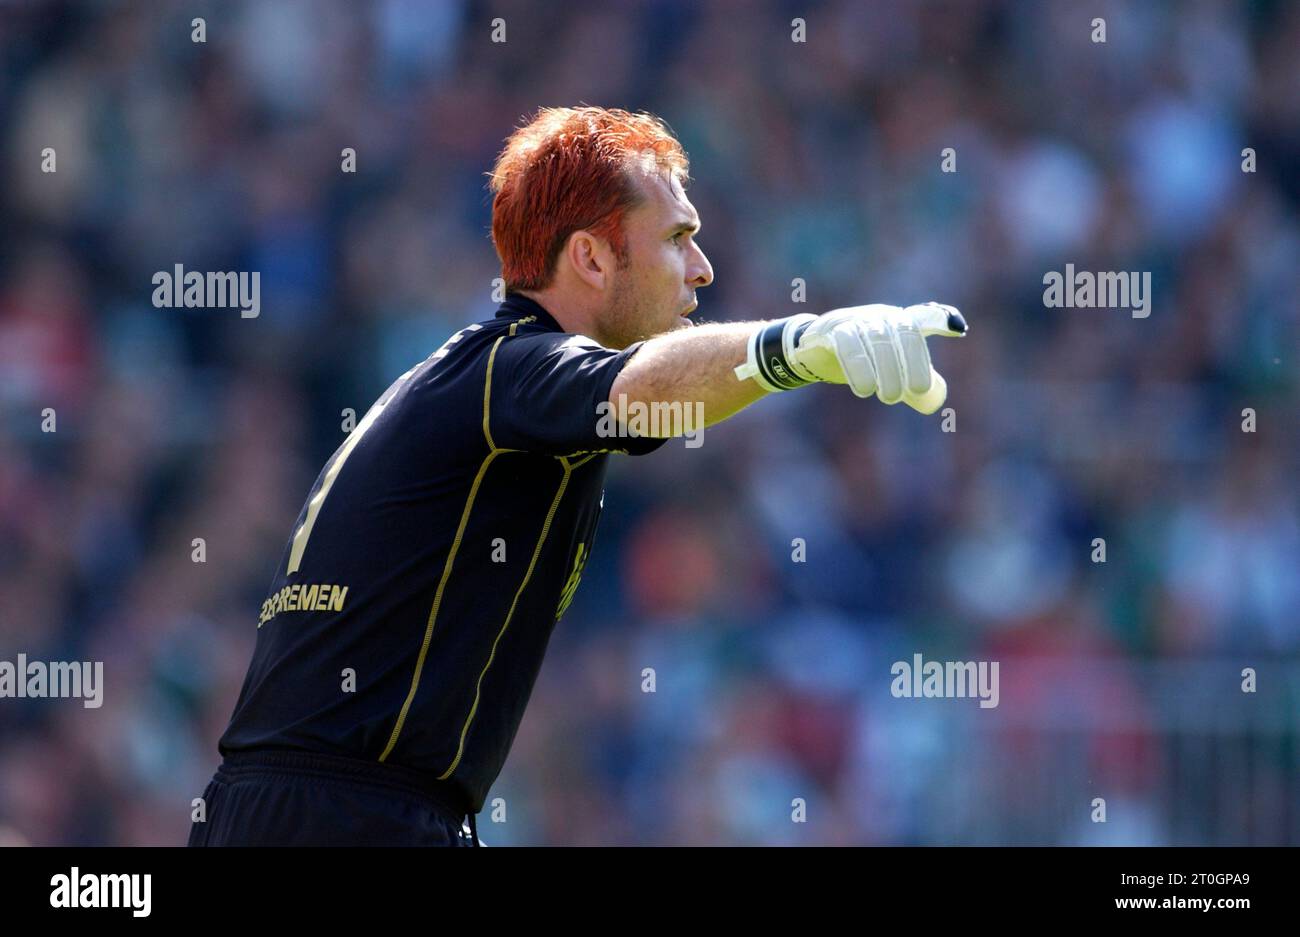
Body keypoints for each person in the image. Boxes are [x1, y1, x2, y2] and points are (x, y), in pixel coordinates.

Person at [189, 105, 966, 847]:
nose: (703, 267)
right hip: (343, 820)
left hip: (336, 811)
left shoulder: (483, 387)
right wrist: (799, 346)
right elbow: (641, 391)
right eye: (676, 238)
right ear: (591, 257)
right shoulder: (508, 368)